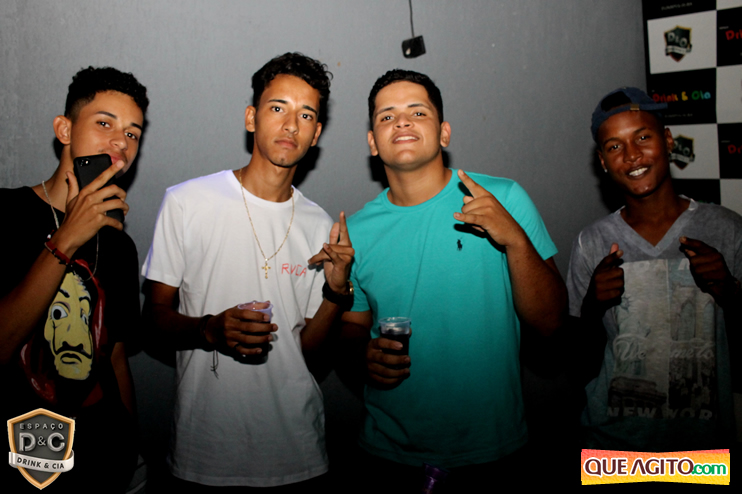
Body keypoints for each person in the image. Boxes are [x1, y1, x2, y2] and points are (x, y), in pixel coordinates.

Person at [341, 69, 566, 491]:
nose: (402, 121)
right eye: (387, 116)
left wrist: (515, 240)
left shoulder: (501, 198)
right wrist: (361, 355)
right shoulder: (354, 230)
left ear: (444, 133)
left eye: (417, 112)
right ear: (372, 142)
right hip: (387, 454)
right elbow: (352, 327)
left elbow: (551, 323)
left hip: (494, 450)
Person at [142, 52, 353, 491]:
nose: (291, 125)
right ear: (251, 118)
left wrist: (336, 294)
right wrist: (208, 329)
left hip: (298, 454)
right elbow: (152, 322)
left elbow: (311, 357)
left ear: (316, 134)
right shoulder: (187, 202)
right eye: (278, 108)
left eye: (306, 114)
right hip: (204, 453)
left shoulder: (321, 227)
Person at [567, 87, 742, 451]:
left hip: (704, 450)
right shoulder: (592, 242)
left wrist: (729, 290)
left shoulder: (726, 229)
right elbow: (574, 363)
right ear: (602, 161)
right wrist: (592, 309)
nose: (631, 155)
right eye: (614, 146)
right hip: (610, 451)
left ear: (668, 140)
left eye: (643, 137)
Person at [0, 66, 148, 492]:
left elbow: (115, 358)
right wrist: (65, 239)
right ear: (64, 129)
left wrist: (130, 446)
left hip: (101, 460)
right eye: (104, 123)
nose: (121, 142)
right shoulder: (6, 214)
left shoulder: (119, 244)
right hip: (26, 460)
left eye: (133, 133)